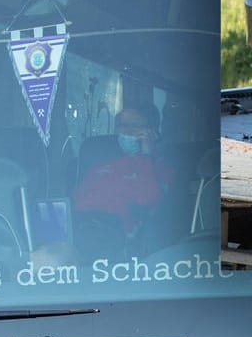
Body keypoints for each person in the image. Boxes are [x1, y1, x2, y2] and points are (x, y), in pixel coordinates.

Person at [72, 102, 175, 237]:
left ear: (153, 132)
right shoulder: (101, 165)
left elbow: (146, 200)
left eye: (135, 125)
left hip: (126, 248)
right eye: (122, 125)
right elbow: (75, 204)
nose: (127, 131)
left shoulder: (162, 168)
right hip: (86, 235)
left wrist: (146, 156)